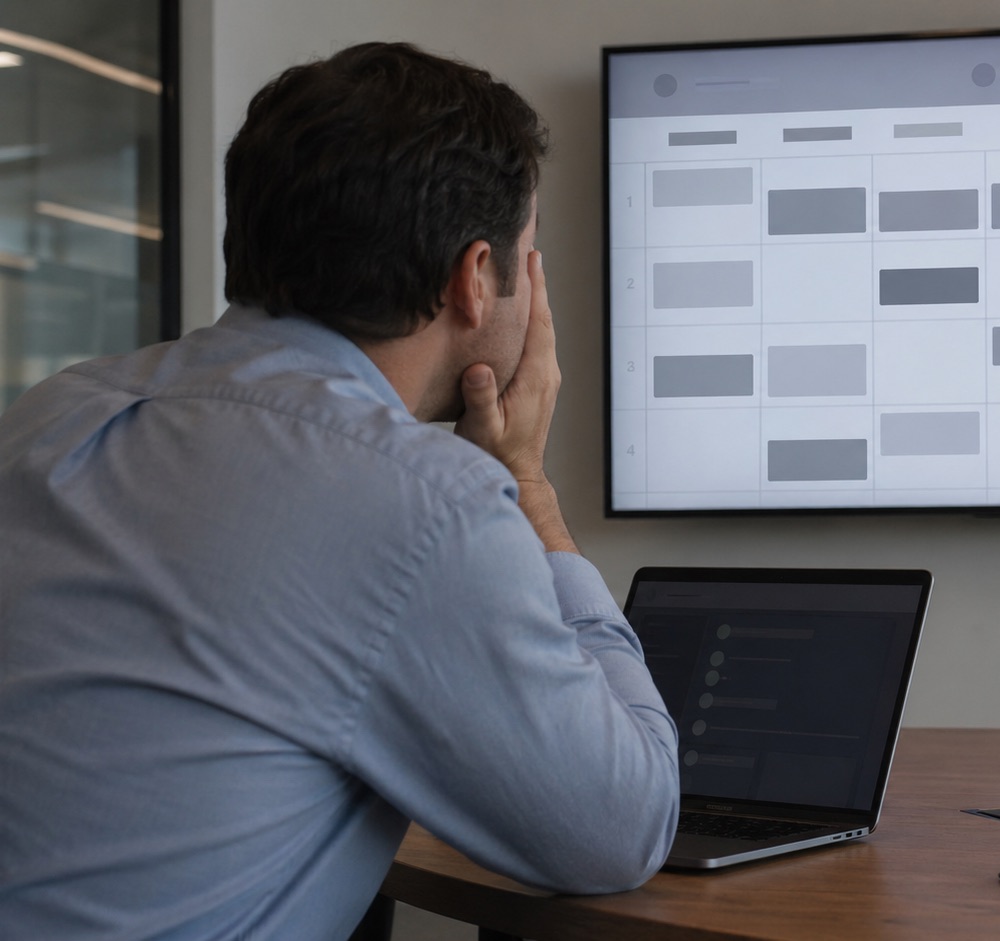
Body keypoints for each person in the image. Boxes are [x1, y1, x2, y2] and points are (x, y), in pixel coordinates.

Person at [0, 42, 679, 939]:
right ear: (475, 278)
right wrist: (526, 485)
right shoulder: (423, 503)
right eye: (529, 253)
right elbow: (619, 827)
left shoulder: (48, 416)